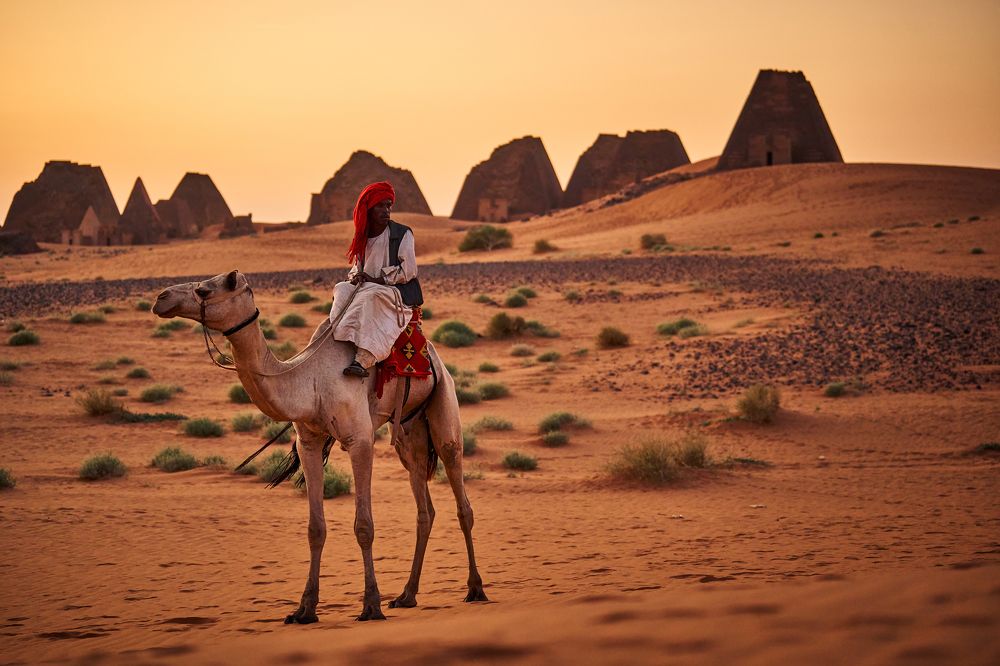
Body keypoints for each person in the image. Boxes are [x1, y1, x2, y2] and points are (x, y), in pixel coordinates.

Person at [329, 181, 423, 377]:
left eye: (389, 205)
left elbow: (409, 271)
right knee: (341, 288)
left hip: (394, 290)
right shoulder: (363, 237)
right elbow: (358, 266)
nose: (386, 210)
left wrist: (376, 279)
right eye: (381, 205)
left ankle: (365, 357)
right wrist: (356, 276)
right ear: (369, 209)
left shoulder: (402, 234)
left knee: (371, 295)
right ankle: (339, 338)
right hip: (368, 286)